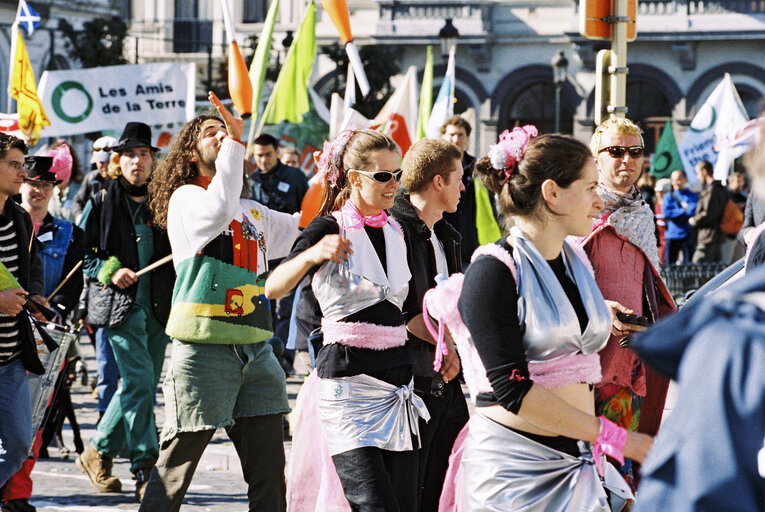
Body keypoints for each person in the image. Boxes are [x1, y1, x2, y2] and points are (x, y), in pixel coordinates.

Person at [453, 127, 651, 510]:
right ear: (553, 193)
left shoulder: (575, 261)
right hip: (513, 477)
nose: (599, 201)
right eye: (591, 187)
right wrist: (617, 438)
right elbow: (512, 390)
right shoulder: (493, 271)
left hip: (575, 460)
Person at [139, 93, 300, 512]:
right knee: (175, 470)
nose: (222, 137)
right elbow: (218, 209)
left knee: (270, 476)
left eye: (225, 133)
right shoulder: (186, 200)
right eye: (211, 133)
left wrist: (338, 182)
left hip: (258, 351)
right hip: (204, 351)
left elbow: (304, 231)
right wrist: (236, 142)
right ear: (191, 154)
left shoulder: (252, 211)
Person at [267, 129, 428, 511]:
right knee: (374, 504)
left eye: (398, 174)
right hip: (348, 384)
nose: (394, 185)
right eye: (383, 176)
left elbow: (405, 311)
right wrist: (309, 256)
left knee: (405, 503)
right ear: (355, 178)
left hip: (398, 386)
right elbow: (273, 287)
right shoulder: (328, 227)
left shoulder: (397, 230)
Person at [76, 122, 173, 501]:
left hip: (159, 307)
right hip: (120, 309)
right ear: (119, 161)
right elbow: (82, 254)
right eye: (130, 154)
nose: (138, 161)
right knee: (138, 383)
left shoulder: (164, 198)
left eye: (144, 154)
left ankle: (97, 449)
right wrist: (111, 270)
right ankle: (146, 467)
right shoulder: (100, 199)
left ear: (153, 160)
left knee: (139, 384)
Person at [581, 117, 675, 489]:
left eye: (635, 151)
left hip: (627, 370)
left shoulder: (643, 215)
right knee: (578, 472)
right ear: (596, 158)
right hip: (579, 370)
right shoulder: (578, 212)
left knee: (617, 481)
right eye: (616, 151)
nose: (627, 160)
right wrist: (598, 307)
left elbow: (654, 290)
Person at [1, 156, 85, 512]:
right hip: (14, 328)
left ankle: (17, 492)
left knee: (27, 430)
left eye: (45, 185)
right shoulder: (17, 216)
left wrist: (43, 300)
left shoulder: (65, 232)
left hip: (36, 339)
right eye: (32, 182)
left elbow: (55, 276)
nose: (36, 189)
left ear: (55, 190)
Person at [389, 138, 467, 512]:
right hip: (411, 381)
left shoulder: (446, 235)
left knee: (449, 481)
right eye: (459, 179)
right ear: (438, 182)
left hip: (445, 380)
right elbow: (403, 313)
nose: (463, 188)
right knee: (415, 491)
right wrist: (447, 346)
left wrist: (453, 349)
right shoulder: (396, 230)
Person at [0, 134, 46, 491]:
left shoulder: (18, 217)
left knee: (17, 446)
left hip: (12, 355)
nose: (22, 173)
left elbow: (31, 269)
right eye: (14, 164)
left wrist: (36, 298)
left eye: (22, 165)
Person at [440, 115, 501, 268]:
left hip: (471, 244)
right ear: (443, 136)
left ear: (467, 138)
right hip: (442, 243)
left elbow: (490, 205)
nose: (456, 139)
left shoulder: (478, 168)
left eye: (460, 135)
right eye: (452, 134)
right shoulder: (436, 168)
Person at [248, 133, 309, 214]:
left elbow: (308, 208)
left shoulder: (295, 175)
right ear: (253, 155)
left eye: (268, 154)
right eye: (260, 155)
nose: (264, 160)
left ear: (276, 153)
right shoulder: (251, 181)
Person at [689, 160, 728, 263]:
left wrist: (694, 220)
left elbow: (709, 213)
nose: (698, 177)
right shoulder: (717, 188)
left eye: (698, 173)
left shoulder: (712, 190)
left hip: (709, 236)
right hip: (714, 235)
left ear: (704, 171)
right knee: (712, 270)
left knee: (698, 265)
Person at [72, 136, 118, 222]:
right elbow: (78, 201)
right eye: (100, 161)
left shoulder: (123, 180)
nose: (103, 165)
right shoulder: (90, 178)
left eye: (107, 161)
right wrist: (79, 216)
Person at [662, 169, 698, 265]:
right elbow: (666, 214)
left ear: (685, 179)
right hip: (672, 235)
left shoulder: (692, 196)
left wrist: (676, 214)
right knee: (669, 266)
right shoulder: (668, 196)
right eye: (673, 180)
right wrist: (683, 211)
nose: (676, 183)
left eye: (678, 179)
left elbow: (693, 211)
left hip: (687, 234)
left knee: (688, 266)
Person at [654, 178, 672, 265]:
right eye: (658, 192)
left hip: (668, 240)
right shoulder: (655, 204)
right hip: (658, 241)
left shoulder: (672, 205)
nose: (660, 194)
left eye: (663, 192)